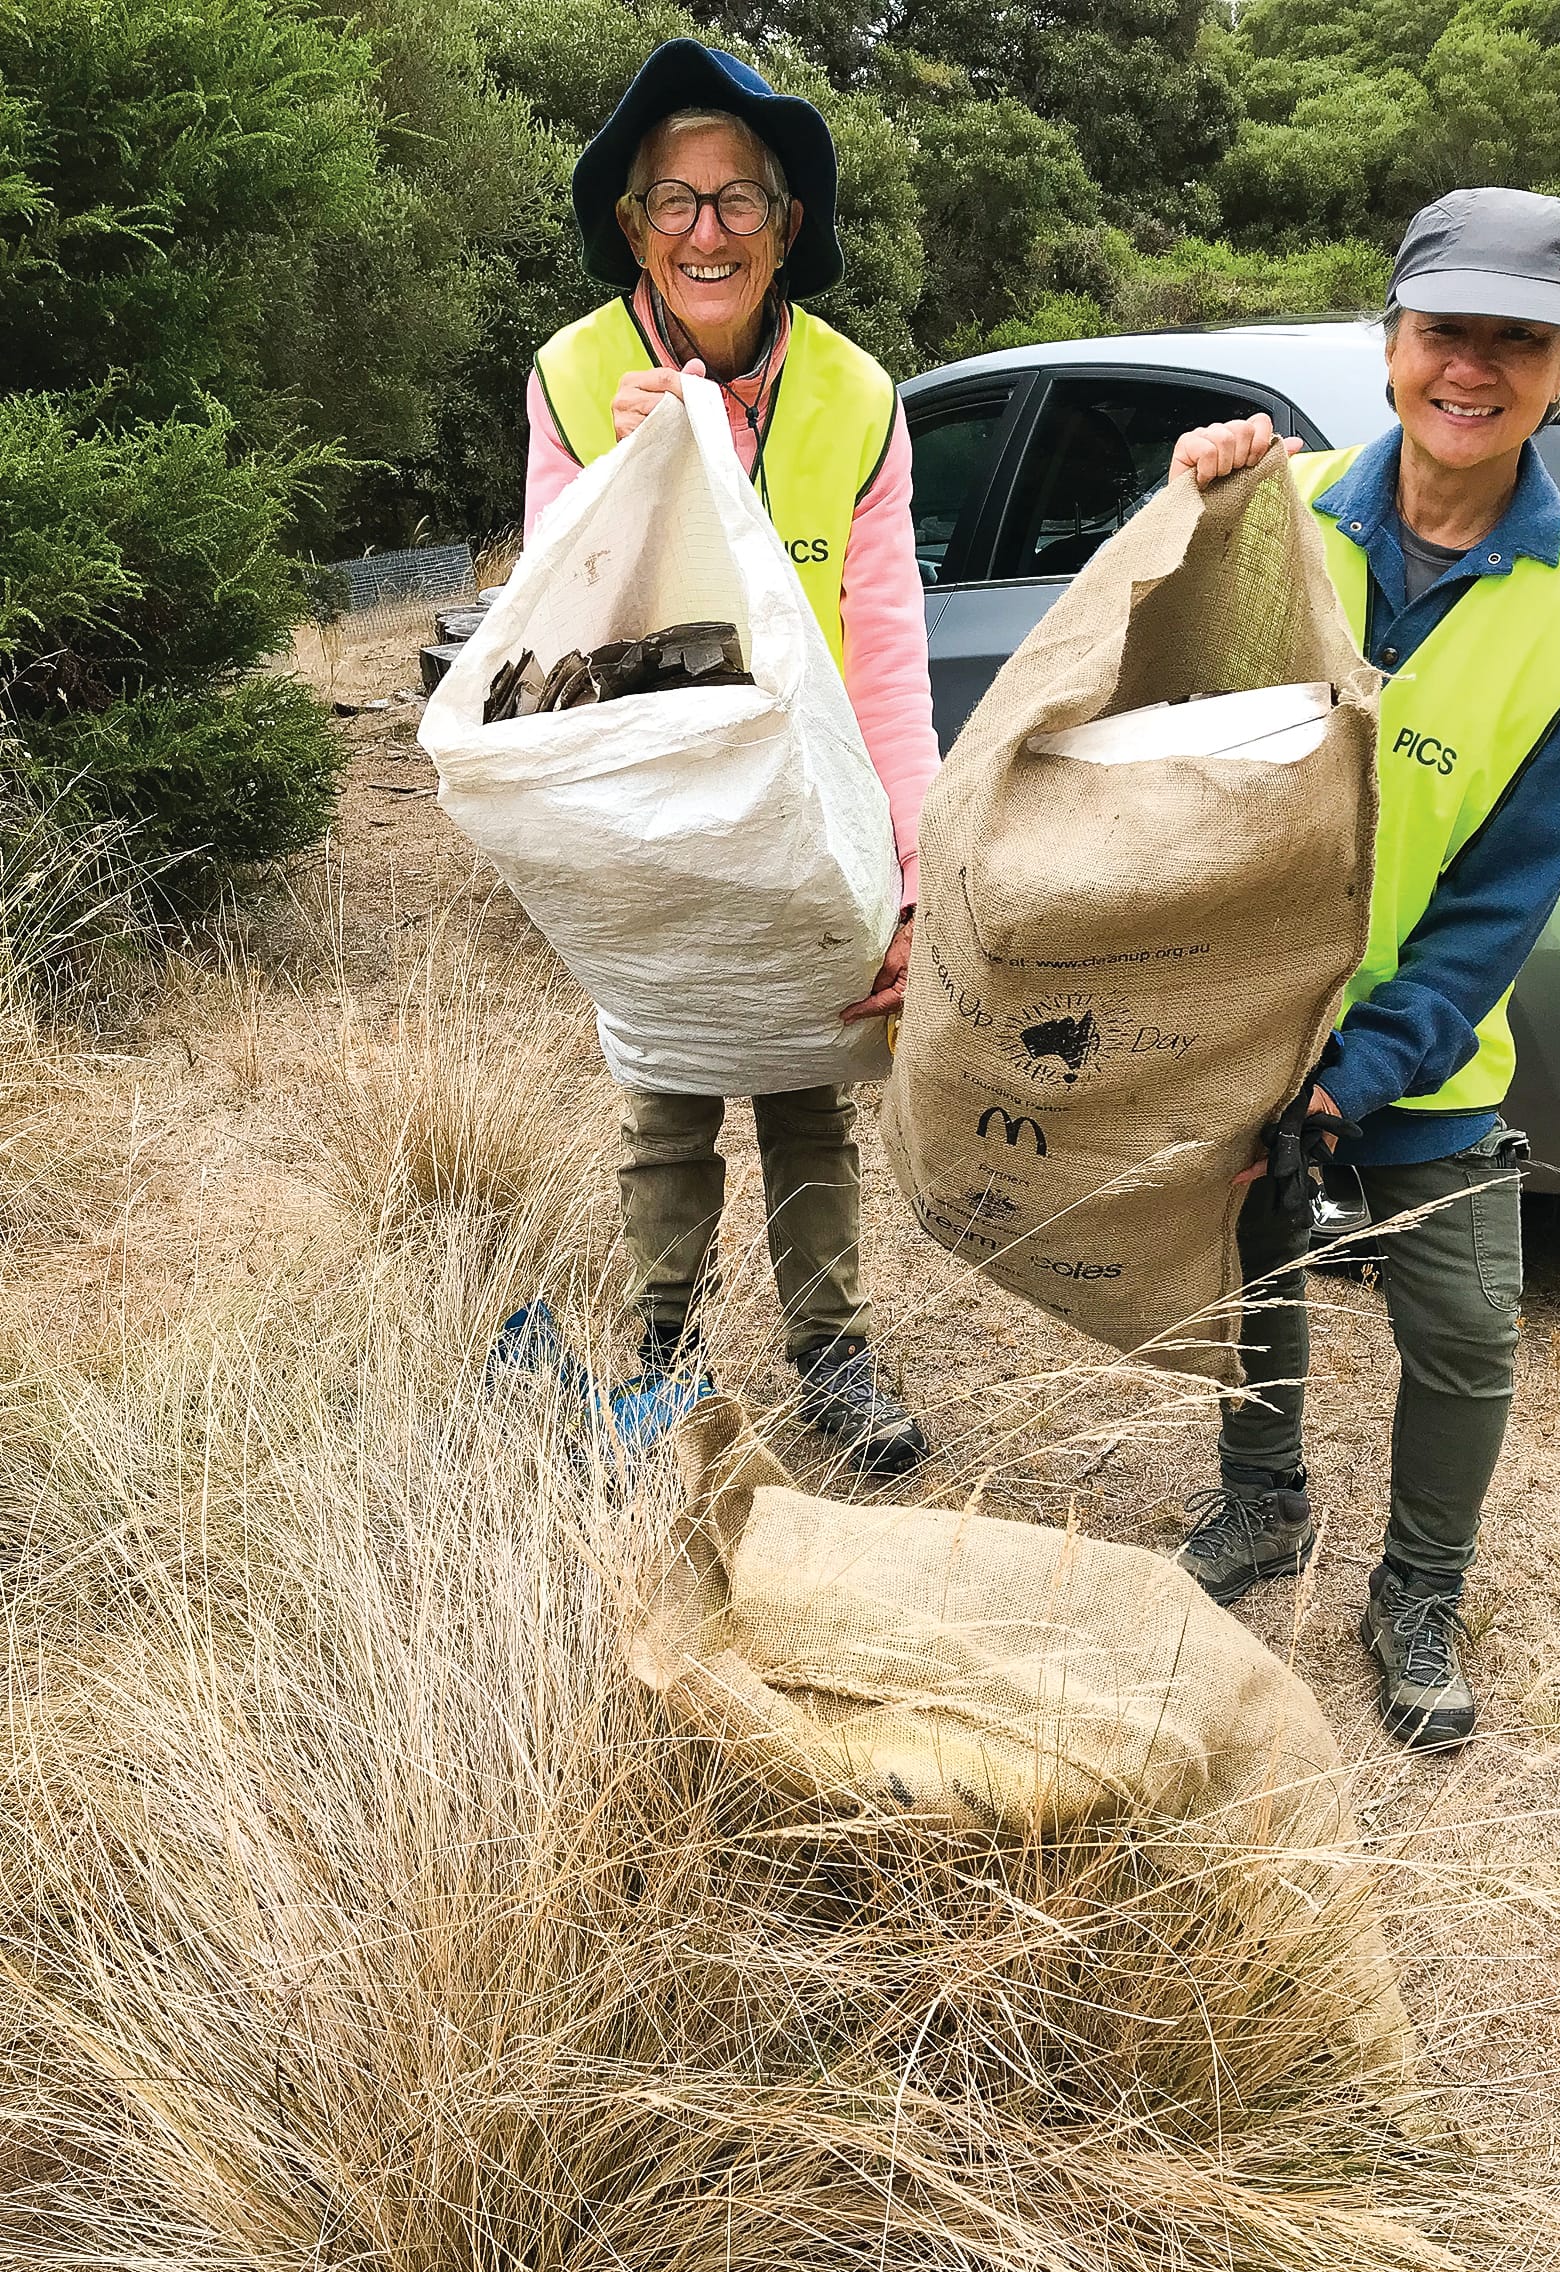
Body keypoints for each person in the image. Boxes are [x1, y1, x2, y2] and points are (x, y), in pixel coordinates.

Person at [1168, 188, 1560, 1750]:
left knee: (1468, 1326)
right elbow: (1156, 706)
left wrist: (1357, 1074)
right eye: (1447, 330)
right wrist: (1180, 503)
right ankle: (1262, 1497)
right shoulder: (1277, 504)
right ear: (1390, 344)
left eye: (1520, 340)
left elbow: (1502, 899)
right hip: (1249, 1007)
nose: (1473, 368)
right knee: (1255, 1260)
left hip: (1428, 1040)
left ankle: (1418, 1587)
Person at [524, 41, 938, 1473]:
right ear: (635, 227)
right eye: (674, 202)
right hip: (644, 795)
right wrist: (636, 480)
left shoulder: (856, 396)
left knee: (811, 1090)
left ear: (787, 224)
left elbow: (886, 653)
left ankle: (833, 1358)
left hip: (801, 802)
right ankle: (665, 1356)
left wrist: (909, 878)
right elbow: (556, 627)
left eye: (738, 199)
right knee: (669, 1089)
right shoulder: (575, 375)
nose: (707, 232)